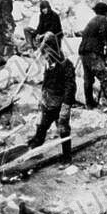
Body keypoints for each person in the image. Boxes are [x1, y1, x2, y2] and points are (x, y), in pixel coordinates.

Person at [27, 33, 76, 163]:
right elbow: (46, 83)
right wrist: (42, 99)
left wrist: (66, 107)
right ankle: (32, 151)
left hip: (60, 105)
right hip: (48, 104)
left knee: (63, 131)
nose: (45, 56)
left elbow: (70, 88)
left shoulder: (66, 65)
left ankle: (67, 158)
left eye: (47, 53)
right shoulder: (49, 64)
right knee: (41, 128)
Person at [77, 2, 107, 109]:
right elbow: (104, 32)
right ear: (105, 12)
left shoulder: (92, 21)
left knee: (88, 79)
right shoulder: (101, 19)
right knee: (104, 78)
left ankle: (89, 103)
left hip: (84, 53)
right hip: (92, 54)